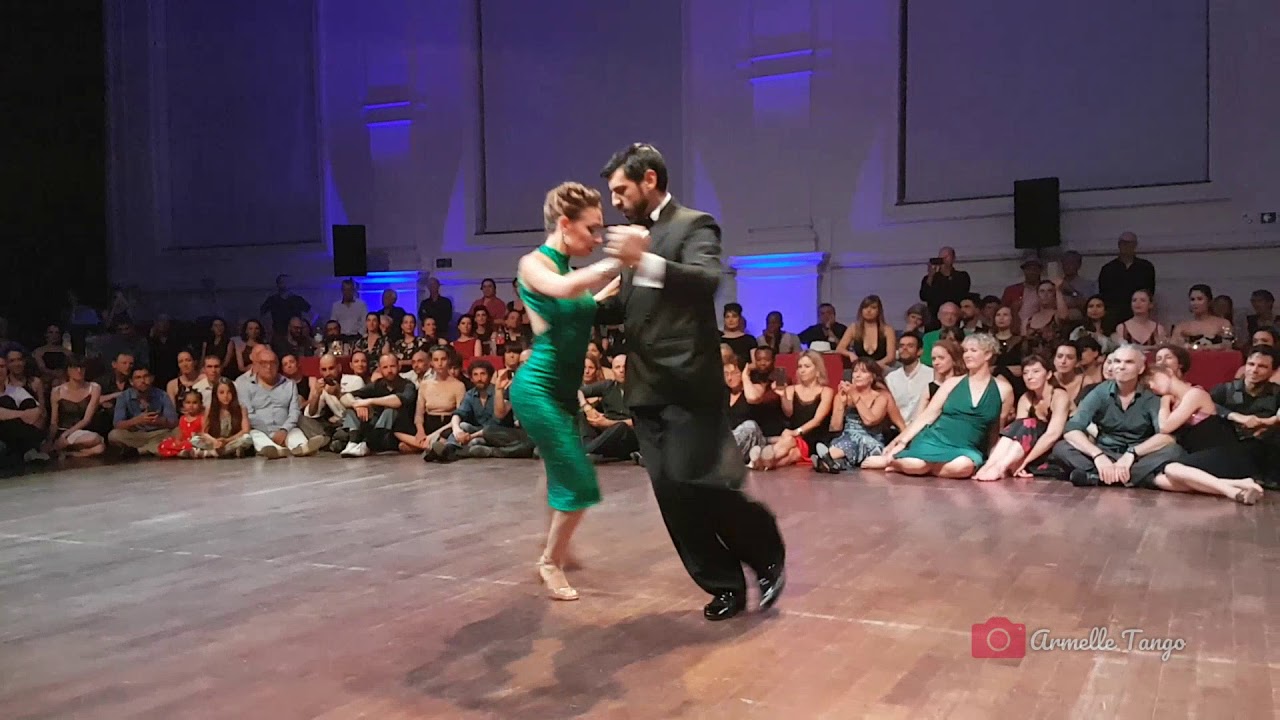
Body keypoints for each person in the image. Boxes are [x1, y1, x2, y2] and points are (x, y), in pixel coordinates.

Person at [597, 142, 786, 621]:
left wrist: (645, 260)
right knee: (671, 494)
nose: (615, 201)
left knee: (700, 482)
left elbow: (706, 280)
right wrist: (572, 307)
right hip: (645, 389)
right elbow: (628, 307)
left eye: (621, 190)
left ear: (650, 180)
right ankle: (723, 584)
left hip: (687, 383)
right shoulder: (637, 239)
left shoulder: (693, 224)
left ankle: (766, 552)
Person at [508, 181, 624, 601]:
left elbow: (583, 300)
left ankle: (555, 542)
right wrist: (615, 261)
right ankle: (550, 562)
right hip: (536, 389)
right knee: (579, 480)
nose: (597, 238)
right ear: (564, 224)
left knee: (557, 471)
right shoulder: (533, 265)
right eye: (592, 229)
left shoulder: (571, 272)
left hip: (562, 392)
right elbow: (563, 292)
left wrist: (619, 280)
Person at [863, 334, 1014, 478]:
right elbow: (927, 416)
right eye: (965, 351)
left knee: (962, 467)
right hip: (936, 439)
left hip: (966, 447)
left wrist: (993, 462)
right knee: (915, 465)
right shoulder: (952, 383)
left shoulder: (1003, 389)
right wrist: (900, 443)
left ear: (987, 355)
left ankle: (927, 469)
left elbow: (996, 429)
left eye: (973, 350)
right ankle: (896, 463)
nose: (967, 355)